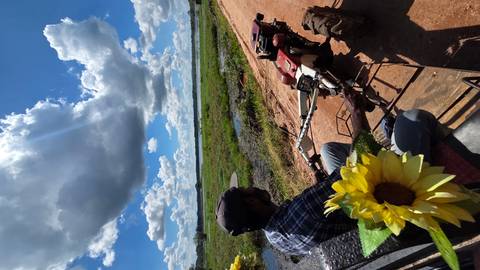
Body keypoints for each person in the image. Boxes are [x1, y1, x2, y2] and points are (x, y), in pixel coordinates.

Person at [215, 89, 450, 256]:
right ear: (252, 203)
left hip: (351, 220)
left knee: (328, 151)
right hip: (386, 203)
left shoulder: (275, 238)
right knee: (412, 120)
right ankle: (450, 146)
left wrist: (322, 183)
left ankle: (400, 145)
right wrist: (356, 113)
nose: (251, 186)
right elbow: (362, 164)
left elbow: (318, 214)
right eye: (246, 190)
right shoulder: (304, 208)